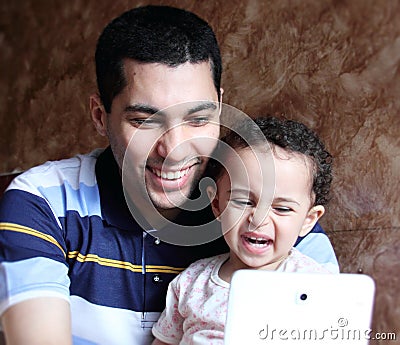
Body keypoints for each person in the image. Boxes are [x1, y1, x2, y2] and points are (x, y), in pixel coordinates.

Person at [0, 5, 337, 345]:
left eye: (197, 119)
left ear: (220, 107)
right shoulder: (44, 202)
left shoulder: (271, 213)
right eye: (144, 121)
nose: (173, 149)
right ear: (100, 116)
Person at [152, 116, 334, 345]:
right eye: (244, 202)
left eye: (282, 208)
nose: (258, 220)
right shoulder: (192, 283)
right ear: (216, 204)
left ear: (308, 220)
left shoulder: (317, 286)